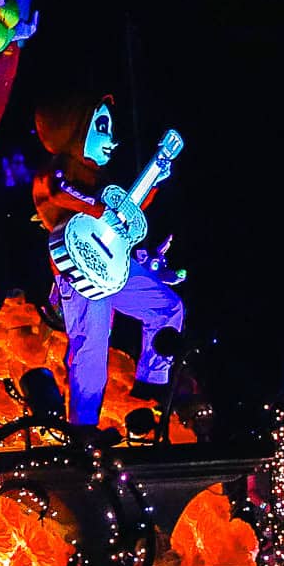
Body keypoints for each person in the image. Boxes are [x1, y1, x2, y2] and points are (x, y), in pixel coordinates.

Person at [31, 93, 184, 426]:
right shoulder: (58, 171)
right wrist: (101, 210)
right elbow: (58, 191)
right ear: (73, 128)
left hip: (114, 266)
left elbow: (129, 212)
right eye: (102, 127)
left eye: (111, 129)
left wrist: (154, 180)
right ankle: (83, 427)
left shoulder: (103, 183)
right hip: (78, 267)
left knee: (168, 306)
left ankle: (152, 380)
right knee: (92, 346)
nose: (112, 140)